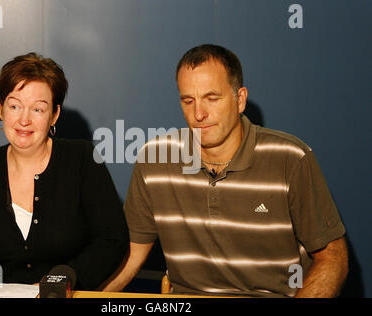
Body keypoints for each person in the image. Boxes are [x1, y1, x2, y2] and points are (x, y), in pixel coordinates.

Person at [103, 44, 348, 297]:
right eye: (188, 101)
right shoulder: (155, 159)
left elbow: (333, 258)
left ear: (240, 99)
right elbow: (131, 256)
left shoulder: (290, 159)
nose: (199, 114)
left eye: (212, 98)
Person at [0, 53, 129, 290]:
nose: (24, 120)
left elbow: (112, 240)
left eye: (37, 109)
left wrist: (62, 281)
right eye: (15, 105)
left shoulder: (82, 158)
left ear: (54, 115)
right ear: (0, 108)